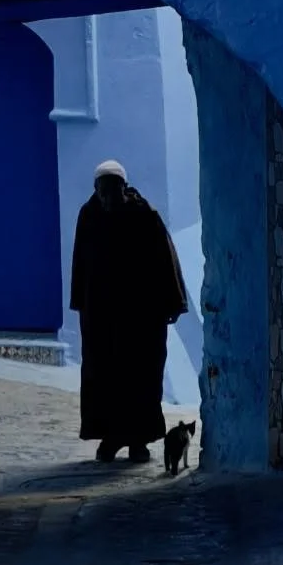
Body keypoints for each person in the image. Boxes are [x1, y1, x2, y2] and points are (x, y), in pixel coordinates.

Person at [70, 160, 188, 462]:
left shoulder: (144, 216)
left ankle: (138, 441)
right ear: (96, 191)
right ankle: (111, 438)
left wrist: (173, 304)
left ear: (124, 188)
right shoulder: (89, 216)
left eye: (114, 190)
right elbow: (81, 264)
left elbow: (165, 261)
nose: (109, 197)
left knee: (141, 377)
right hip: (102, 317)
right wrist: (82, 305)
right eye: (103, 191)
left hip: (140, 319)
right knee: (105, 377)